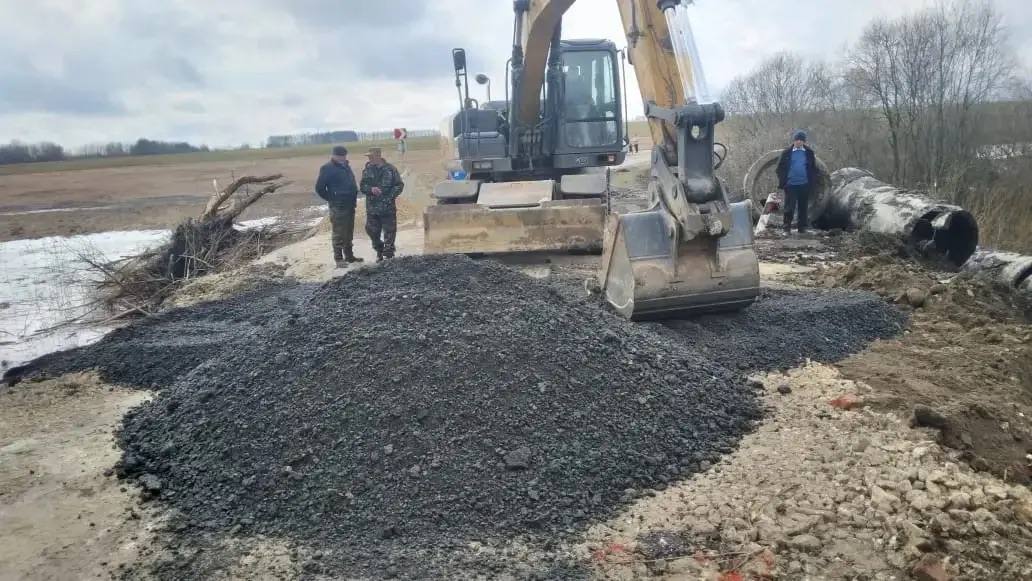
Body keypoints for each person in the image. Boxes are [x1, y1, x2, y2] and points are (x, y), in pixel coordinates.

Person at [315, 145, 363, 268]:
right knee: (339, 233)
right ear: (334, 155)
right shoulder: (327, 168)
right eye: (339, 156)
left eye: (344, 156)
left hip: (350, 205)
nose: (342, 158)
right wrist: (332, 199)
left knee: (348, 232)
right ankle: (339, 258)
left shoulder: (346, 166)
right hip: (338, 207)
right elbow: (319, 188)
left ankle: (349, 256)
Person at [360, 147, 405, 261]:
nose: (369, 159)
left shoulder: (390, 169)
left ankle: (389, 255)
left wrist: (389, 197)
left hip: (387, 207)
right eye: (368, 157)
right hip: (372, 208)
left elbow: (399, 185)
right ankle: (379, 249)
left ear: (378, 156)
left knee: (389, 232)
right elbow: (362, 186)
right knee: (371, 231)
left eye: (371, 157)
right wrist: (371, 189)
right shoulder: (367, 170)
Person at [776, 130, 818, 235]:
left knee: (803, 207)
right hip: (791, 185)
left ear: (804, 141)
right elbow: (779, 168)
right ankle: (786, 229)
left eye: (801, 140)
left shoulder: (809, 152)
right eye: (797, 139)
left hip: (804, 184)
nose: (799, 141)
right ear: (794, 140)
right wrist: (784, 181)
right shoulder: (786, 152)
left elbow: (813, 168)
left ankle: (802, 228)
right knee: (789, 208)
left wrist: (812, 181)